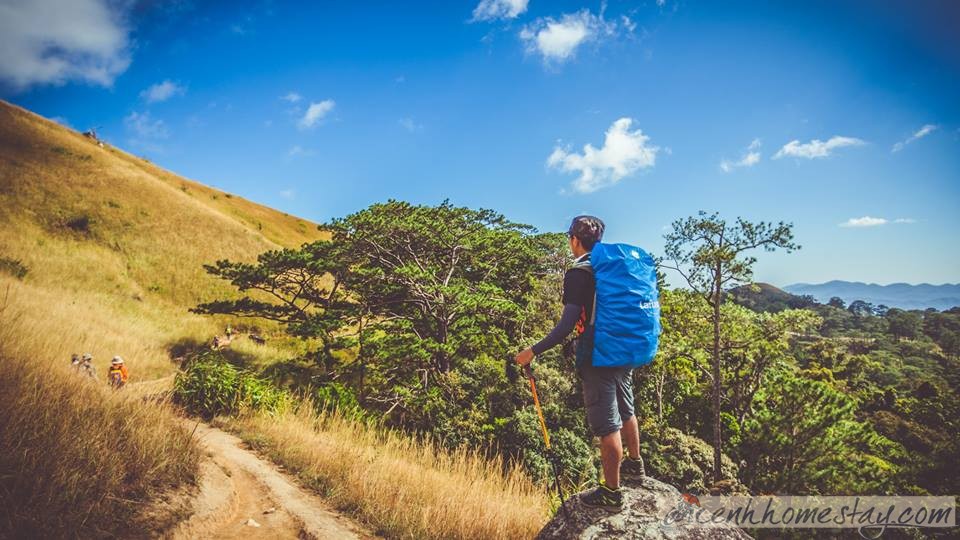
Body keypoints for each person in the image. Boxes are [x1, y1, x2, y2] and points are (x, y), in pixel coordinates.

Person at [515, 215, 645, 510]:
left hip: (597, 355)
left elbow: (566, 325)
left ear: (574, 240)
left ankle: (612, 493)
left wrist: (532, 351)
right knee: (627, 408)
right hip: (624, 348)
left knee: (606, 425)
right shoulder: (613, 267)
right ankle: (636, 468)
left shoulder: (579, 273)